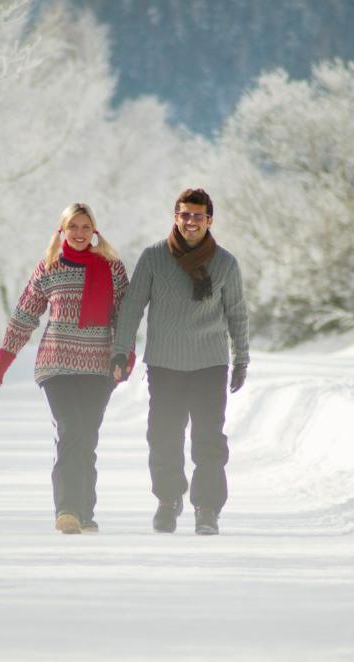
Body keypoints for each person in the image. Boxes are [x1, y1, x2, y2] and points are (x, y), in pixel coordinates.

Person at [0, 203, 132, 535]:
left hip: (99, 366)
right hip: (57, 364)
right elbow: (25, 315)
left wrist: (125, 356)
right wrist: (3, 360)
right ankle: (67, 510)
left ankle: (85, 511)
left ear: (94, 230)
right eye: (73, 227)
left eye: (85, 227)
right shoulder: (49, 267)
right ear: (62, 230)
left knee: (87, 437)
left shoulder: (113, 269)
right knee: (70, 431)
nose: (79, 233)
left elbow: (125, 317)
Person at [111, 188, 248, 535]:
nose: (191, 221)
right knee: (163, 437)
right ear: (176, 217)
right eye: (185, 215)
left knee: (208, 439)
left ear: (209, 220)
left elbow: (237, 313)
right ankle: (168, 501)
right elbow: (132, 306)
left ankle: (206, 509)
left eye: (198, 216)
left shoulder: (225, 263)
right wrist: (121, 349)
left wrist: (241, 358)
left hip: (209, 364)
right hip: (165, 364)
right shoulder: (154, 257)